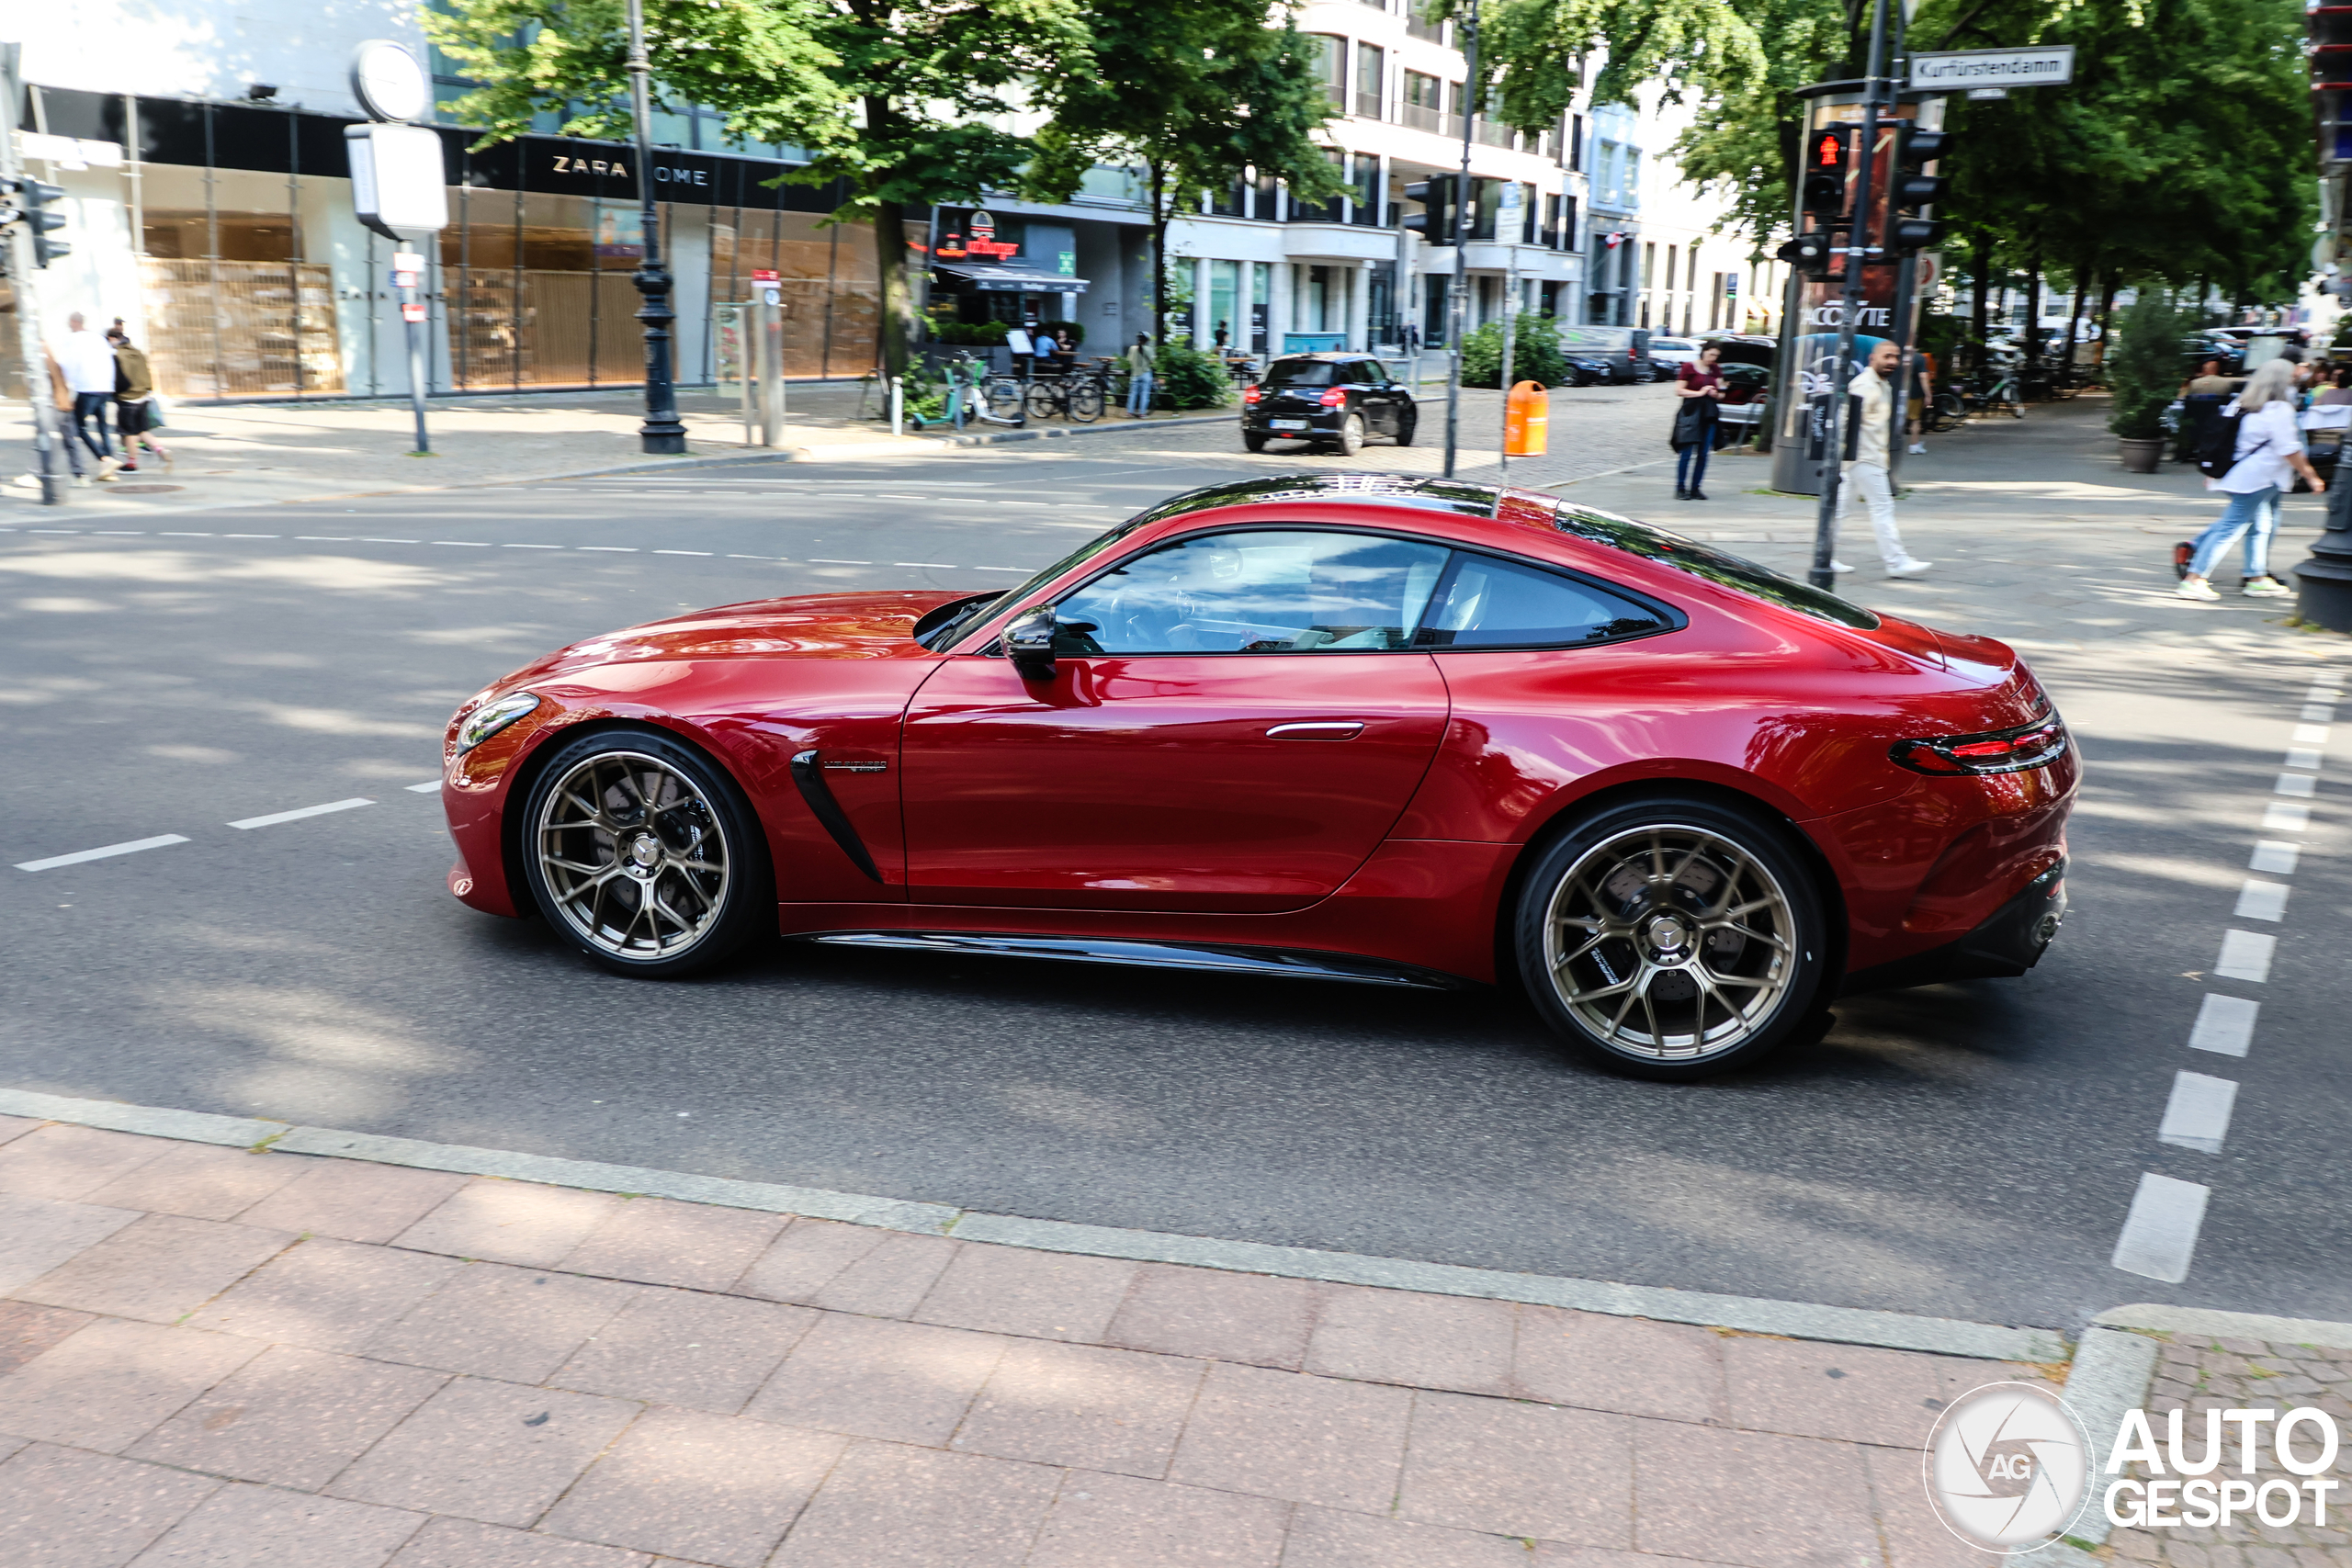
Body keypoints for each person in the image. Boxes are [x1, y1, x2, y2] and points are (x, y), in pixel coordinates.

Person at [2177, 357, 2323, 600]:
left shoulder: (2242, 403)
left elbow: (2224, 441)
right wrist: (2311, 476)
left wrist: (2215, 474)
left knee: (2260, 526)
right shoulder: (2279, 409)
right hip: (2258, 478)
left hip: (2240, 475)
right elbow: (2289, 448)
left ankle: (2256, 578)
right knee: (2231, 528)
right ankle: (2195, 578)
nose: (2295, 378)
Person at [1835, 339, 1932, 578]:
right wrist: (1844, 454)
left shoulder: (1881, 385)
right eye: (1887, 356)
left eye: (1895, 357)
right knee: (1882, 508)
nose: (1892, 362)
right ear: (1872, 359)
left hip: (1861, 457)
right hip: (1865, 457)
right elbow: (1845, 421)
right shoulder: (1865, 385)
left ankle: (1825, 556)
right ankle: (1896, 561)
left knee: (1840, 509)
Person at [53, 312, 121, 481]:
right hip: (105, 388)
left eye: (70, 323)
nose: (69, 326)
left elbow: (65, 365)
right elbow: (110, 359)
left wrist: (67, 389)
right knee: (103, 427)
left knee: (79, 427)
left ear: (74, 322)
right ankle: (108, 469)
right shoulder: (98, 338)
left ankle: (105, 459)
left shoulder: (72, 339)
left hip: (88, 388)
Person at [107, 325, 170, 473]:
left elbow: (118, 379)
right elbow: (146, 373)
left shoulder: (117, 355)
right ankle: (161, 450)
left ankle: (131, 464)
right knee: (141, 430)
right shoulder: (137, 352)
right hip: (143, 396)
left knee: (128, 432)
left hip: (127, 398)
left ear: (112, 338)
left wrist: (115, 394)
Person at [1670, 342, 1724, 500]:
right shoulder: (1689, 367)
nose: (1713, 359)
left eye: (1716, 356)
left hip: (1709, 414)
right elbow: (1679, 390)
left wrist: (1716, 394)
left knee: (1703, 453)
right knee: (1686, 453)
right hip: (1691, 413)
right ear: (1704, 352)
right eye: (1711, 354)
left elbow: (1722, 394)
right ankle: (1680, 487)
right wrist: (1699, 393)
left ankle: (1696, 487)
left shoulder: (1715, 369)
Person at [1124, 332, 1156, 418]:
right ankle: (1142, 413)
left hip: (1135, 374)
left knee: (1133, 394)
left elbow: (1129, 360)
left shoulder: (1132, 348)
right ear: (1147, 340)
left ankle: (1129, 412)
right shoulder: (1149, 349)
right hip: (1145, 373)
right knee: (1145, 394)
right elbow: (1152, 361)